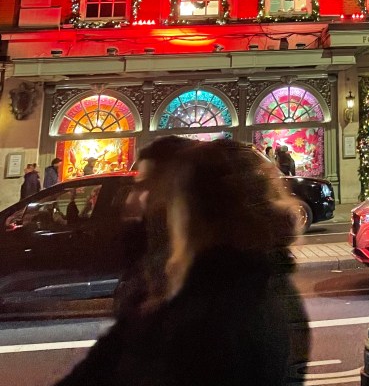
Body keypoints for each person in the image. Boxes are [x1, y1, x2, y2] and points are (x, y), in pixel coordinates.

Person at [54, 140, 309, 386]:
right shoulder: (242, 286)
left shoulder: (212, 315)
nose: (137, 201)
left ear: (197, 213)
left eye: (170, 198)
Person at [114, 135, 197, 318]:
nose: (131, 199)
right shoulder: (145, 257)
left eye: (146, 185)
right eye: (137, 186)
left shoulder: (204, 290)